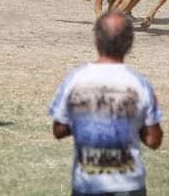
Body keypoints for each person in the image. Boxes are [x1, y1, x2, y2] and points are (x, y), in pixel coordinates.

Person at [49, 11, 162, 196]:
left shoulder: (75, 79)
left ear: (95, 40)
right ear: (130, 44)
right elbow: (153, 140)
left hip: (87, 184)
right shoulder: (140, 84)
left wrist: (85, 118)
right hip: (129, 185)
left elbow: (59, 130)